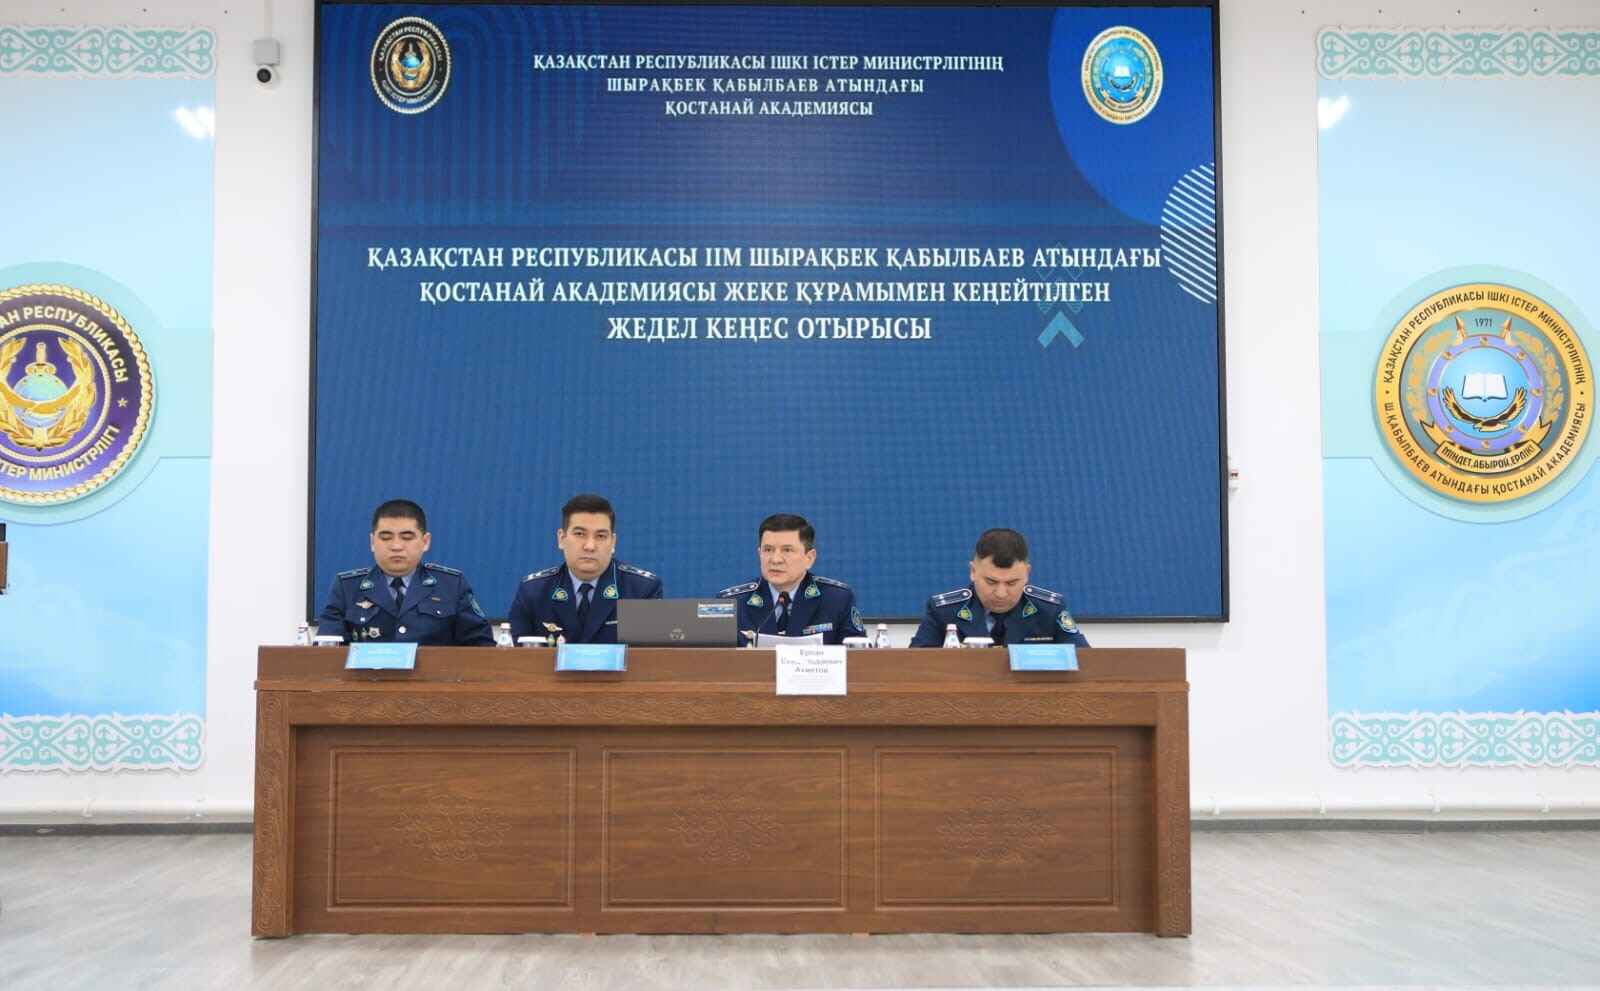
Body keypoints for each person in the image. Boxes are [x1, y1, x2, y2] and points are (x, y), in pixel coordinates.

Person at [317, 498, 494, 646]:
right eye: (386, 537)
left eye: (407, 537)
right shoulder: (347, 587)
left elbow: (481, 648)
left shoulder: (451, 585)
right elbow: (325, 651)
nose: (396, 546)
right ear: (372, 542)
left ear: (425, 542)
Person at [509, 493, 662, 643]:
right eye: (580, 534)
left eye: (600, 536)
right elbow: (514, 656)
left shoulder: (641, 591)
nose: (590, 546)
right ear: (561, 539)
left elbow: (651, 657)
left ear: (613, 542)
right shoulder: (533, 592)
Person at [910, 528, 1089, 647]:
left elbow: (1085, 661)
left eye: (1012, 583)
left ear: (1027, 573)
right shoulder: (944, 611)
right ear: (973, 571)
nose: (1001, 594)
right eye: (991, 582)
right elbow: (914, 667)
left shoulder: (1049, 610)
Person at [718, 513, 865, 645]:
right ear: (759, 553)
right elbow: (713, 660)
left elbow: (859, 659)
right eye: (768, 550)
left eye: (787, 550)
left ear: (809, 558)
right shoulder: (732, 604)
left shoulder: (837, 600)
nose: (775, 559)